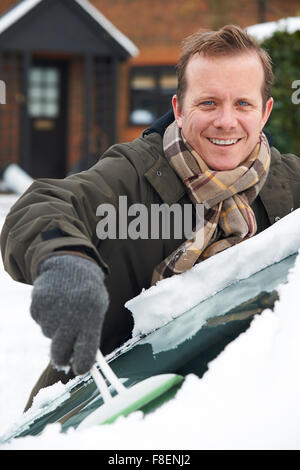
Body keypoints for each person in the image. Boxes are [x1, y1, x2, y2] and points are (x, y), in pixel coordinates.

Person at [1, 24, 300, 411]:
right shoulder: (132, 175)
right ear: (178, 108)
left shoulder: (290, 189)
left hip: (242, 411)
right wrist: (64, 262)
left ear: (265, 112)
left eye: (242, 104)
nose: (226, 121)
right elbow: (43, 204)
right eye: (208, 103)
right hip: (105, 409)